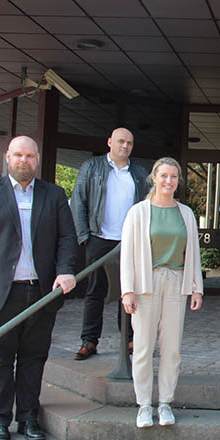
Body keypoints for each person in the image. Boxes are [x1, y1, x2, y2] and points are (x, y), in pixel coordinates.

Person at [0, 136, 78, 440]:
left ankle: (28, 417)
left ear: (37, 160)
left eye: (30, 156)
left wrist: (65, 270)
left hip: (41, 291)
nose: (24, 161)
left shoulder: (53, 194)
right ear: (7, 158)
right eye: (18, 155)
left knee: (34, 358)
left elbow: (67, 238)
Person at [120, 158, 204, 429]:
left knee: (172, 348)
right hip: (146, 284)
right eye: (164, 176)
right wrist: (127, 290)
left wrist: (196, 287)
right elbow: (128, 255)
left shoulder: (186, 214)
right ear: (154, 178)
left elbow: (193, 255)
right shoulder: (138, 212)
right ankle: (144, 404)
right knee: (143, 346)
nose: (169, 182)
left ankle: (165, 402)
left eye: (174, 177)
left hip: (176, 283)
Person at [71, 127, 149, 360]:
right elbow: (78, 201)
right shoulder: (92, 167)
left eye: (129, 143)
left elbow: (146, 207)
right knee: (95, 292)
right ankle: (89, 341)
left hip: (130, 242)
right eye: (120, 141)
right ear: (110, 143)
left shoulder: (139, 172)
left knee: (129, 292)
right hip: (99, 238)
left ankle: (129, 340)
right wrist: (84, 237)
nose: (125, 146)